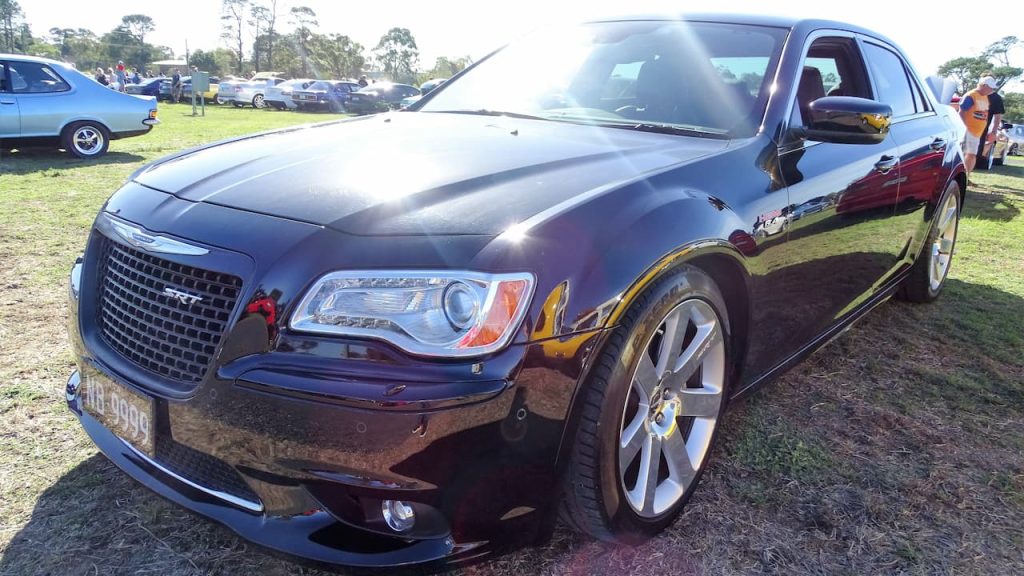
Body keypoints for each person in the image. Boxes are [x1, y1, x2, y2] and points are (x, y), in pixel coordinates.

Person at [958, 76, 998, 178]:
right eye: (990, 88)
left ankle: (967, 176)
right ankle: (962, 176)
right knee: (967, 154)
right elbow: (962, 111)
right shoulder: (971, 96)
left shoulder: (985, 97)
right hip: (969, 131)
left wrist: (989, 130)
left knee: (972, 155)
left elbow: (984, 114)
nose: (991, 90)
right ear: (984, 85)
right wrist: (964, 127)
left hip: (977, 132)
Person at [973, 71, 1005, 169]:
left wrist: (994, 131)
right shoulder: (973, 94)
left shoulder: (996, 98)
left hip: (982, 129)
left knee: (976, 152)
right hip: (968, 126)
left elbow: (997, 116)